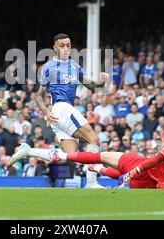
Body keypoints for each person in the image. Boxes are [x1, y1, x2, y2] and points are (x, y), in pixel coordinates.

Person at [9, 33, 109, 188]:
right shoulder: (48, 68)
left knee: (71, 157)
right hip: (61, 108)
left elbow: (90, 85)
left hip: (63, 113)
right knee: (94, 140)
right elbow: (39, 96)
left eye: (68, 45)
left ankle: (29, 151)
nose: (66, 48)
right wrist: (46, 111)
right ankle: (91, 182)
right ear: (54, 47)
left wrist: (101, 82)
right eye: (62, 45)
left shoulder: (75, 66)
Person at [47, 130, 164, 190]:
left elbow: (153, 160)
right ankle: (98, 169)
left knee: (101, 156)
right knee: (117, 170)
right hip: (154, 188)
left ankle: (61, 156)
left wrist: (134, 171)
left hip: (143, 169)